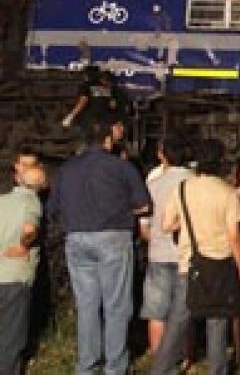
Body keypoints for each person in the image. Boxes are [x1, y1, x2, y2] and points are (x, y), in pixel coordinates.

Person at [48, 119, 152, 375]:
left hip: (76, 239)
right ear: (108, 139)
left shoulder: (66, 169)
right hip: (113, 237)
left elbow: (52, 209)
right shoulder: (121, 167)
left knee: (87, 305)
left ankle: (87, 365)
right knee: (116, 306)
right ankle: (115, 366)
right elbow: (143, 206)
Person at [152, 139, 240, 375]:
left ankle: (161, 369)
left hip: (190, 263)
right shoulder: (228, 193)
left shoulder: (183, 189)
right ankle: (218, 370)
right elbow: (234, 235)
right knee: (217, 323)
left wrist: (186, 224)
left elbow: (166, 225)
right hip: (220, 265)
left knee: (177, 322)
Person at [139, 136, 195, 356]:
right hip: (187, 255)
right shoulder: (194, 181)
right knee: (185, 311)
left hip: (158, 254)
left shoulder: (152, 185)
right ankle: (186, 358)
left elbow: (144, 228)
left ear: (162, 155)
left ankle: (159, 357)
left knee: (157, 312)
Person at [0, 163, 44, 375]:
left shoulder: (2, 201)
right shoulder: (32, 202)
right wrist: (24, 244)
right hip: (15, 277)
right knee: (11, 337)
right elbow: (29, 229)